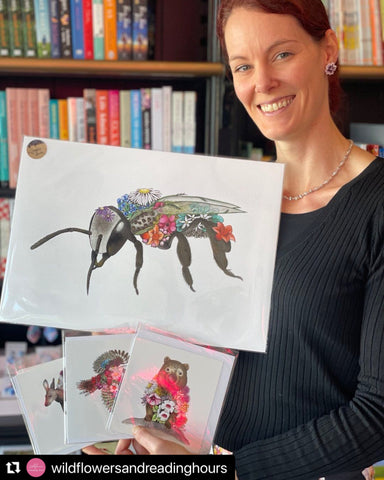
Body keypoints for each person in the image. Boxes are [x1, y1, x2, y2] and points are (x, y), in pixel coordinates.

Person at [84, 1, 384, 478]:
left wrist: (224, 469)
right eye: (243, 65)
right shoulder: (221, 201)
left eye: (281, 54)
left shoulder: (377, 204)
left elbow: (378, 415)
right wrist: (144, 421)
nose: (261, 82)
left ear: (328, 49)